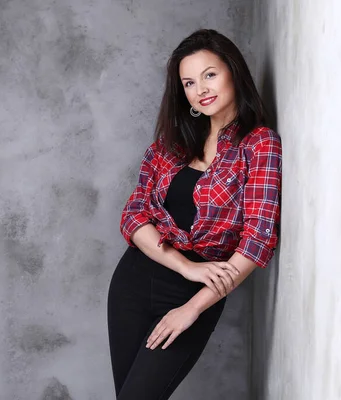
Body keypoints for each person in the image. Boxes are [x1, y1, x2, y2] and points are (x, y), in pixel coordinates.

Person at [107, 29, 282, 399]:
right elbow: (134, 215)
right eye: (189, 82)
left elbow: (257, 240)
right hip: (134, 283)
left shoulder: (259, 144)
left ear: (234, 72)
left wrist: (192, 307)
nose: (200, 88)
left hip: (197, 296)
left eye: (210, 74)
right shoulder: (170, 144)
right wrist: (186, 266)